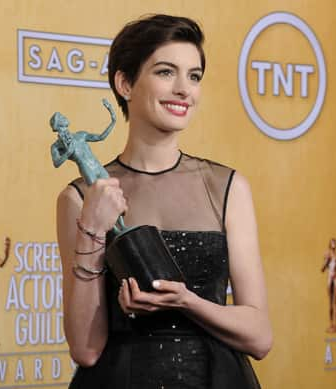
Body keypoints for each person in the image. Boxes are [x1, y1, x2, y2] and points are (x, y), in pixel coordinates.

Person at [55, 14, 272, 389]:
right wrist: (92, 227)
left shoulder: (226, 188)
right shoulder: (80, 197)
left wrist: (187, 302)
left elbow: (260, 337)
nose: (184, 89)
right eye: (166, 72)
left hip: (215, 378)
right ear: (125, 83)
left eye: (194, 76)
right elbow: (85, 349)